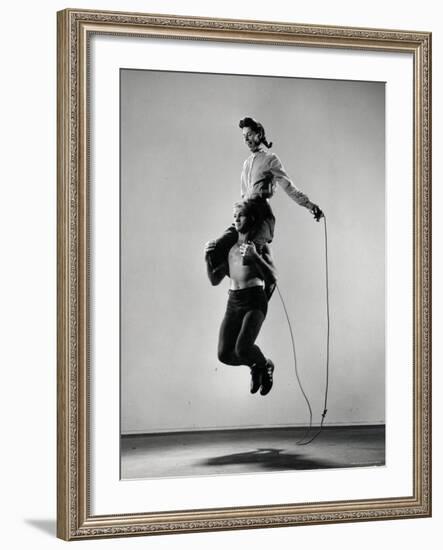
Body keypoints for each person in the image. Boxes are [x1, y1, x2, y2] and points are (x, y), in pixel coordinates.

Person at [208, 117, 323, 269]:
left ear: (259, 134)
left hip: (261, 217)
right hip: (245, 216)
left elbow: (288, 187)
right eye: (244, 137)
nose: (246, 139)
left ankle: (265, 282)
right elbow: (244, 195)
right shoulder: (247, 163)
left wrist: (309, 205)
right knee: (215, 250)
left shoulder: (270, 159)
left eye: (249, 134)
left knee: (249, 264)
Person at [205, 200, 278, 396]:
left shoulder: (259, 247)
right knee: (224, 354)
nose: (237, 219)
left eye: (241, 215)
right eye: (234, 216)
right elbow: (214, 280)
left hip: (254, 300)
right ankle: (259, 366)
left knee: (243, 347)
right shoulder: (230, 248)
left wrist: (255, 257)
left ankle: (263, 365)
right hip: (234, 302)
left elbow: (273, 277)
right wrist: (208, 258)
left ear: (251, 218)